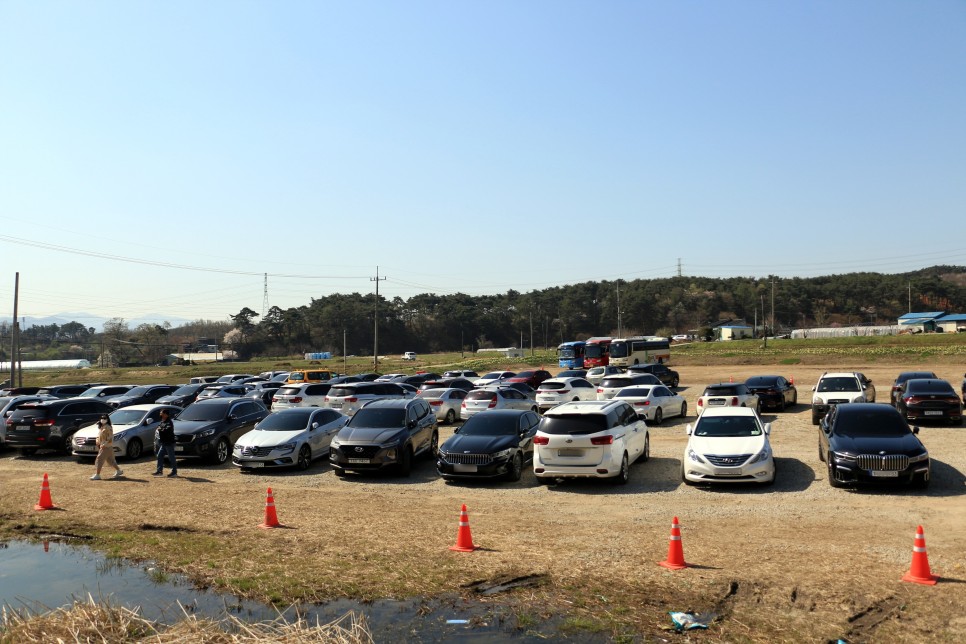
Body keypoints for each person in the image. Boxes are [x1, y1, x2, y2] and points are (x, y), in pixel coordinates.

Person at [91, 414, 123, 480]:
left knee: (99, 459)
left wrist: (104, 444)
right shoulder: (102, 427)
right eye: (102, 418)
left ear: (107, 419)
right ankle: (119, 471)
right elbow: (99, 436)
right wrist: (97, 441)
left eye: (104, 418)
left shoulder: (108, 427)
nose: (103, 420)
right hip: (105, 446)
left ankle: (97, 474)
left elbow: (110, 437)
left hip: (106, 446)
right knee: (110, 460)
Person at [154, 408, 178, 477]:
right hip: (164, 443)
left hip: (169, 443)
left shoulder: (169, 422)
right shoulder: (162, 421)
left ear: (166, 414)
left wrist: (160, 429)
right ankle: (159, 471)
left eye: (162, 413)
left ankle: (174, 472)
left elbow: (167, 430)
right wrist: (159, 428)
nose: (160, 414)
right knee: (159, 456)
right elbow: (159, 427)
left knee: (171, 458)